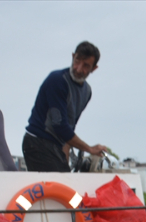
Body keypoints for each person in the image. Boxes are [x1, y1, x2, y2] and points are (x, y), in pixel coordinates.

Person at [23, 41, 108, 172]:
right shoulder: (57, 81)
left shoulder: (87, 92)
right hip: (37, 143)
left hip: (56, 146)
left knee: (66, 185)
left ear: (94, 68)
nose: (78, 69)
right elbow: (60, 127)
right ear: (73, 56)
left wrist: (65, 164)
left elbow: (69, 130)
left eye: (86, 65)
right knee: (58, 189)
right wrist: (90, 149)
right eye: (77, 61)